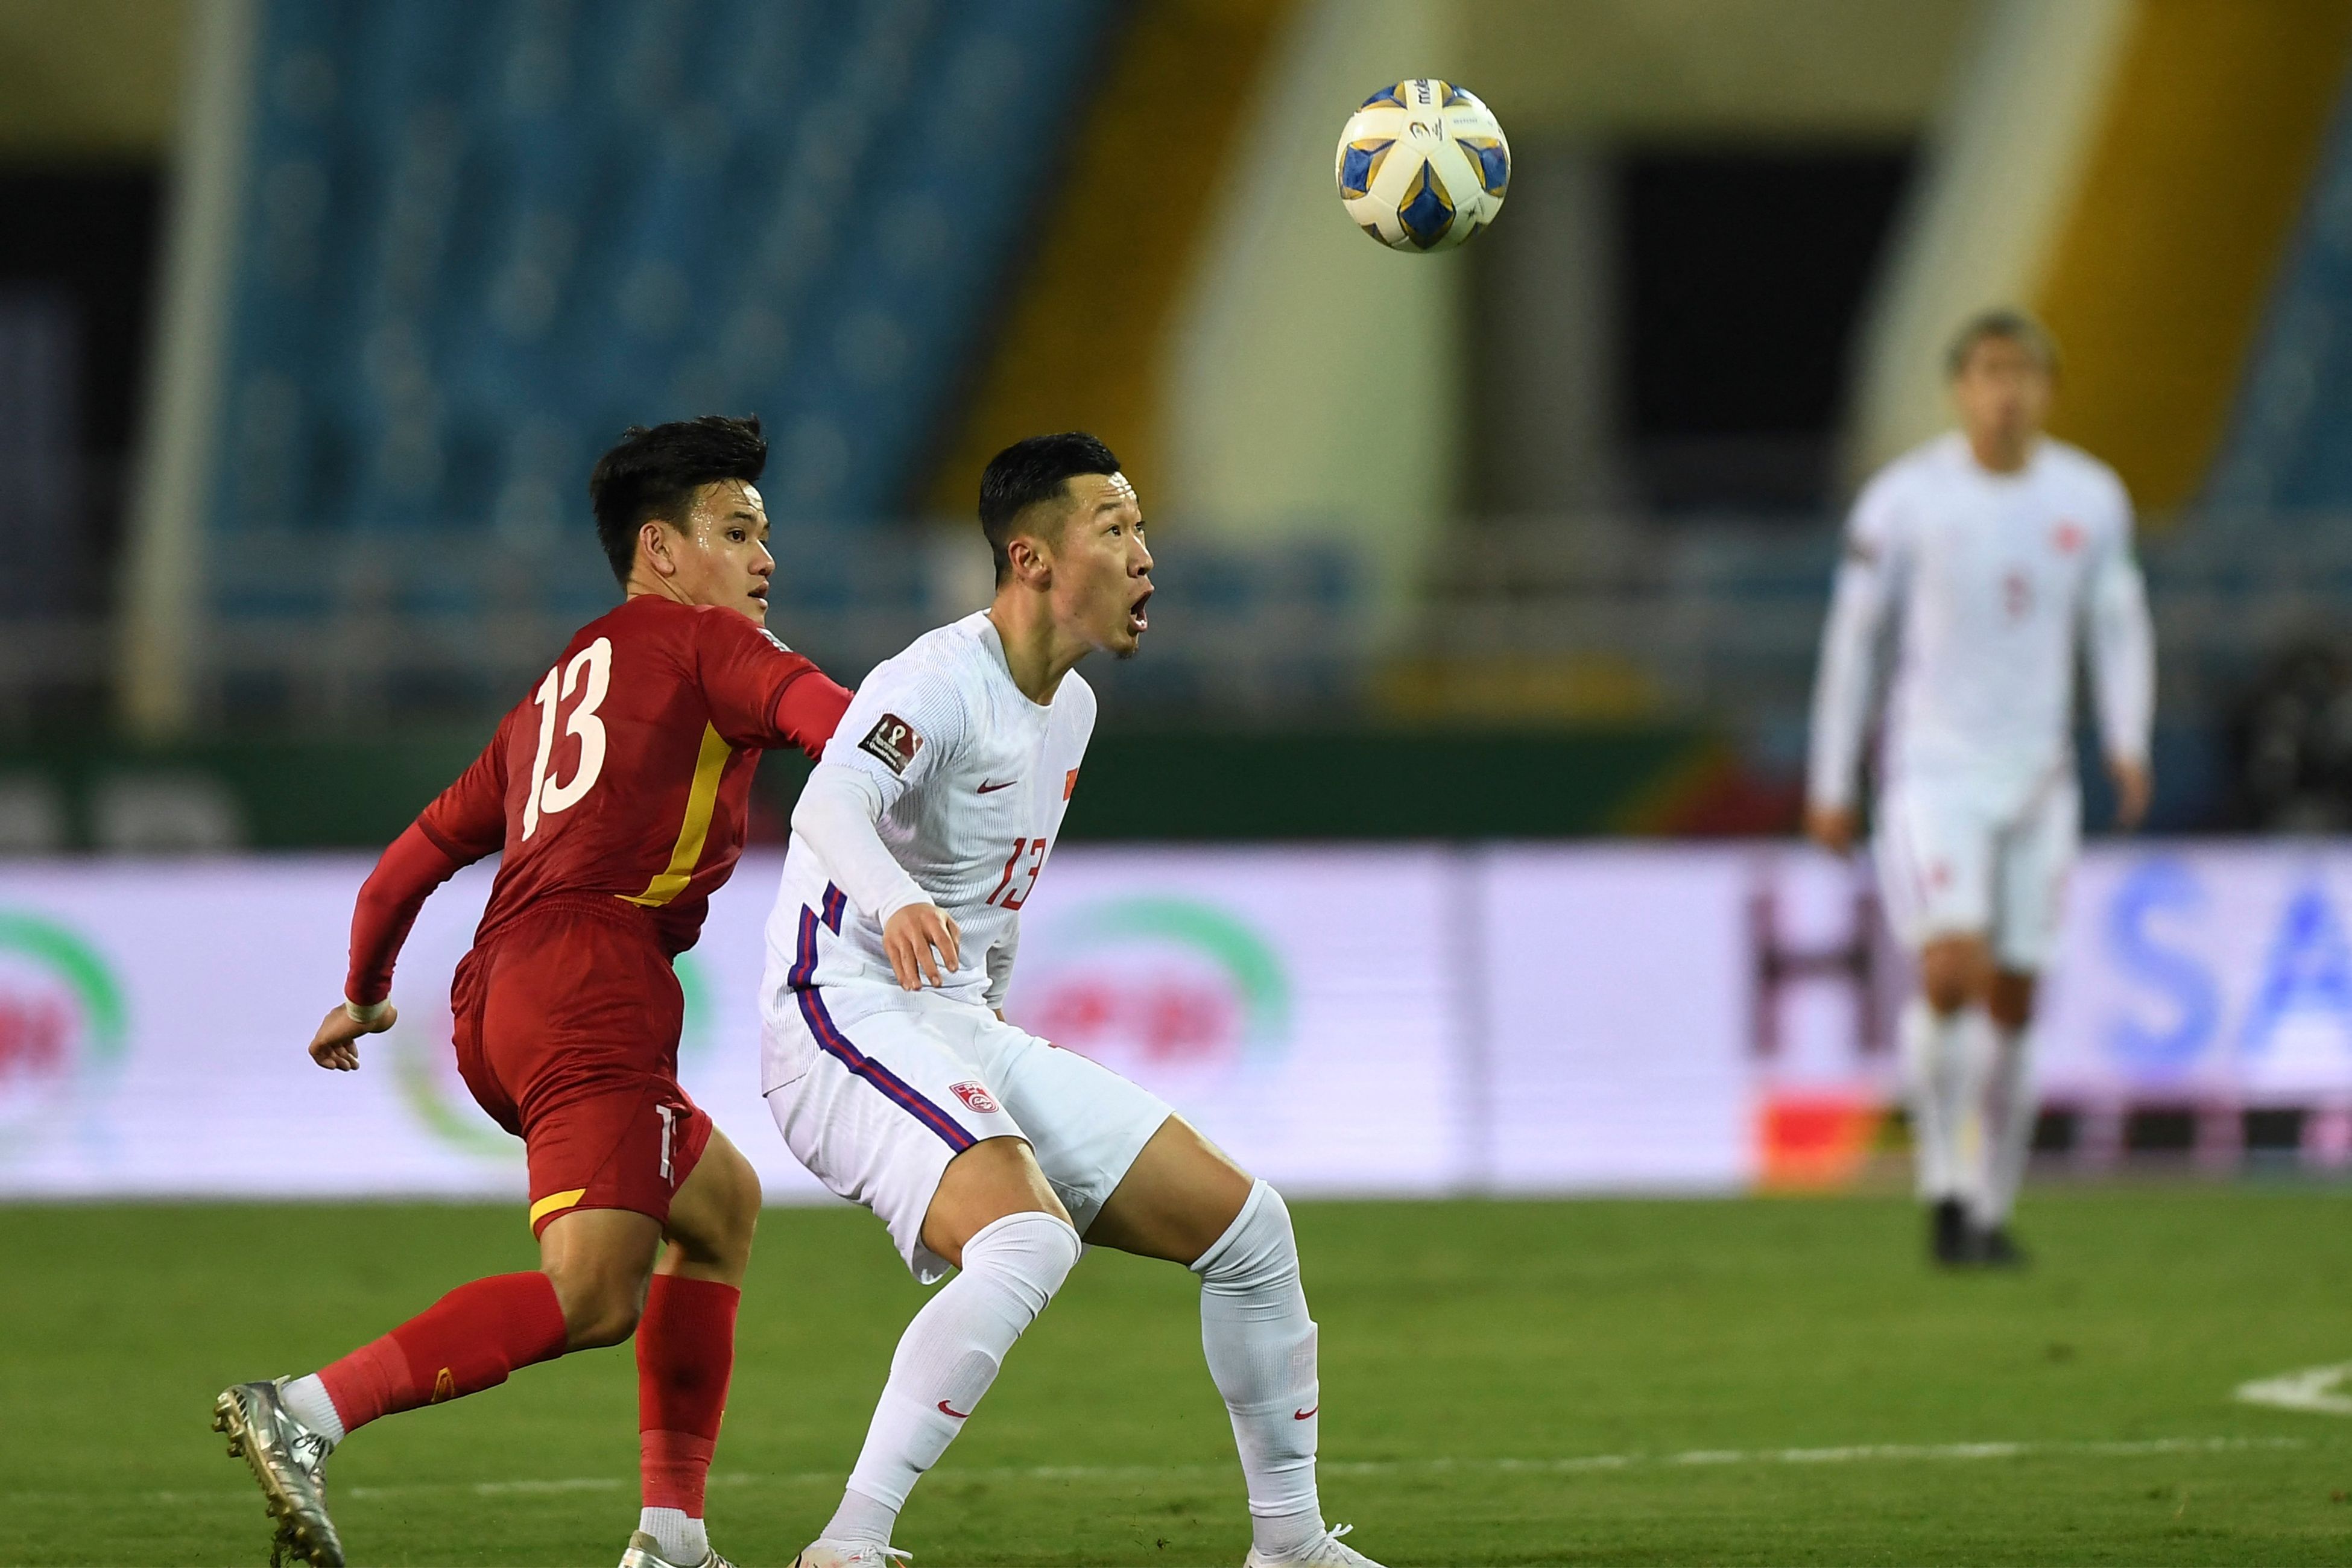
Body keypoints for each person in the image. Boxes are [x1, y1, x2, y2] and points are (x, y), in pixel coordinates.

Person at [212, 416, 852, 1568]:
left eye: (766, 536)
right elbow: (844, 736)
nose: (765, 560)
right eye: (739, 530)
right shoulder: (709, 644)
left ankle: (672, 1537)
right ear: (660, 549)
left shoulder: (554, 692)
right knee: (595, 1298)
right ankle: (305, 1411)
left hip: (496, 999)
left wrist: (362, 997)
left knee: (720, 1208)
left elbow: (402, 869)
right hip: (595, 982)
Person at [760, 433, 1379, 1568]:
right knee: (1029, 1243)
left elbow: (994, 904)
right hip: (835, 1011)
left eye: (1142, 529)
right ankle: (848, 1546)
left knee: (1251, 1233)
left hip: (951, 1020)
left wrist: (976, 996)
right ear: (1032, 558)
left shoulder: (1073, 711)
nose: (1147, 557)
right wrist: (895, 903)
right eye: (1117, 527)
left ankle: (1290, 1546)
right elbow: (828, 807)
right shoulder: (934, 681)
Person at [1807, 311, 2154, 1265]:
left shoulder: (2090, 496)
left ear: (2048, 388)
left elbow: (2118, 624)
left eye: (2025, 374)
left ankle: (1991, 1207)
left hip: (2039, 779)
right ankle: (1943, 1188)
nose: (2008, 392)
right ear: (1960, 389)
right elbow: (1853, 644)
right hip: (1933, 773)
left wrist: (2127, 738)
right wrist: (1832, 776)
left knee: (2016, 1000)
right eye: (1990, 373)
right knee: (1950, 971)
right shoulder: (1903, 502)